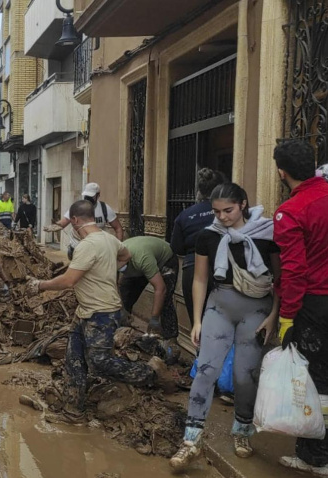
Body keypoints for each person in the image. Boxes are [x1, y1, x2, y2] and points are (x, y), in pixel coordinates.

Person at [169, 183, 280, 471]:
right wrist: (197, 319)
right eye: (216, 211)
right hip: (219, 305)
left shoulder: (268, 235)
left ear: (243, 204)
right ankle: (190, 440)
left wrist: (274, 316)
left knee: (246, 377)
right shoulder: (208, 236)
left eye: (228, 210)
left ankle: (242, 432)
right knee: (205, 371)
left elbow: (279, 280)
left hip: (257, 310)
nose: (222, 217)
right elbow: (200, 279)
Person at [29, 200, 172, 422]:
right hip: (85, 310)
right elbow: (125, 256)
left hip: (101, 312)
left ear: (75, 221)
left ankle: (151, 373)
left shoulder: (87, 245)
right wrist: (107, 269)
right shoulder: (110, 239)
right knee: (74, 359)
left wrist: (39, 285)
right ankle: (73, 411)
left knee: (99, 361)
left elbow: (68, 281)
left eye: (70, 222)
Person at [272, 140, 328, 475]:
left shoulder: (291, 211)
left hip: (314, 305)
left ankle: (315, 456)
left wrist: (287, 316)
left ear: (282, 171)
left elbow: (294, 271)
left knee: (315, 379)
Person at [170, 168, 227, 325]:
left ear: (199, 191)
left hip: (193, 269)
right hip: (223, 269)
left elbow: (176, 248)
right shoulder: (227, 212)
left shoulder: (185, 215)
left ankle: (201, 349)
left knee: (198, 323)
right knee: (223, 324)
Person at [120, 236, 180, 341]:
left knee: (164, 300)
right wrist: (122, 308)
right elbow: (114, 284)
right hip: (139, 260)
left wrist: (154, 319)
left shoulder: (142, 259)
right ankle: (122, 332)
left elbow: (160, 289)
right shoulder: (113, 257)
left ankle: (169, 339)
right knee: (125, 293)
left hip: (165, 260)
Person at [43, 183, 124, 259]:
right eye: (86, 195)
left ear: (98, 195)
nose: (88, 198)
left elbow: (118, 228)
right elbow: (63, 223)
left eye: (91, 196)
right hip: (78, 246)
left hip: (98, 247)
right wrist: (53, 226)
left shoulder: (104, 208)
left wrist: (117, 248)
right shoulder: (77, 207)